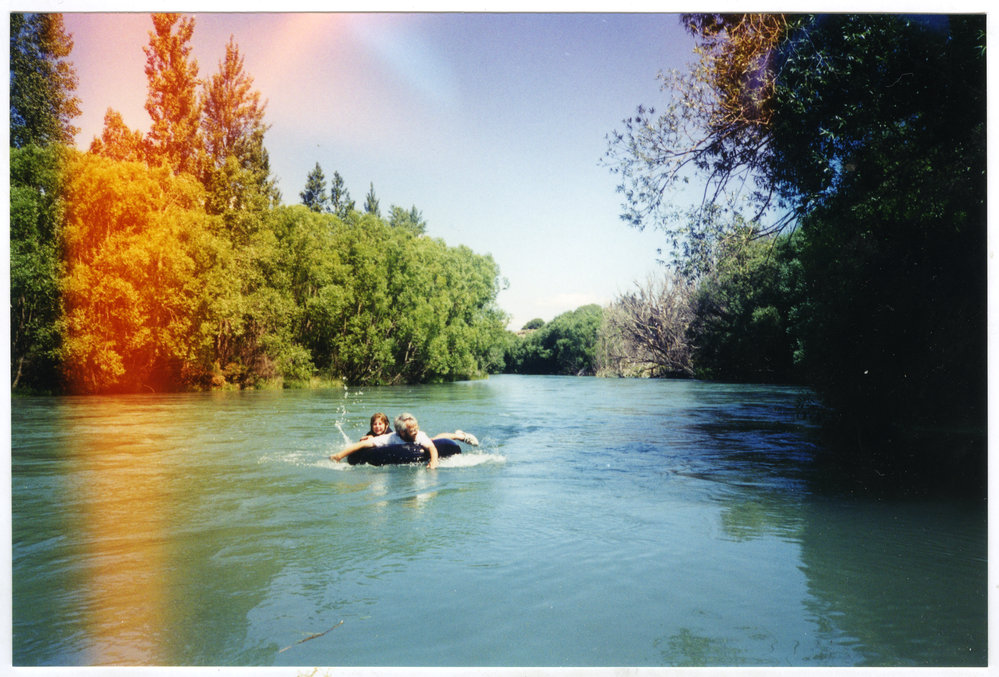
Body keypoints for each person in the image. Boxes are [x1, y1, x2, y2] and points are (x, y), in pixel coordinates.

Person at [333, 412, 440, 468]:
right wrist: (338, 456)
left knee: (435, 439)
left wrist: (434, 461)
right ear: (402, 432)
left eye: (416, 428)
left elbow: (431, 447)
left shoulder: (419, 435)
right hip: (388, 452)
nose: (415, 432)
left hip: (425, 447)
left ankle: (456, 435)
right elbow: (364, 444)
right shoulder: (391, 438)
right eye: (412, 431)